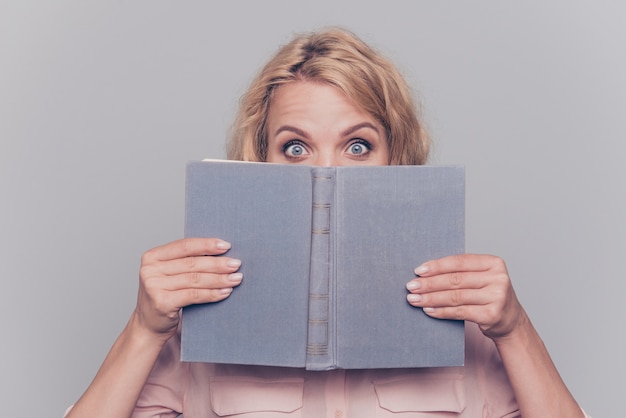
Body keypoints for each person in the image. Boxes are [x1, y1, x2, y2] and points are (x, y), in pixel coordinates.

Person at [66, 28, 589, 418]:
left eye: (357, 145)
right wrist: (142, 330)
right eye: (295, 147)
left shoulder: (466, 327)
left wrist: (515, 329)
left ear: (397, 159)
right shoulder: (197, 328)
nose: (326, 172)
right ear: (260, 163)